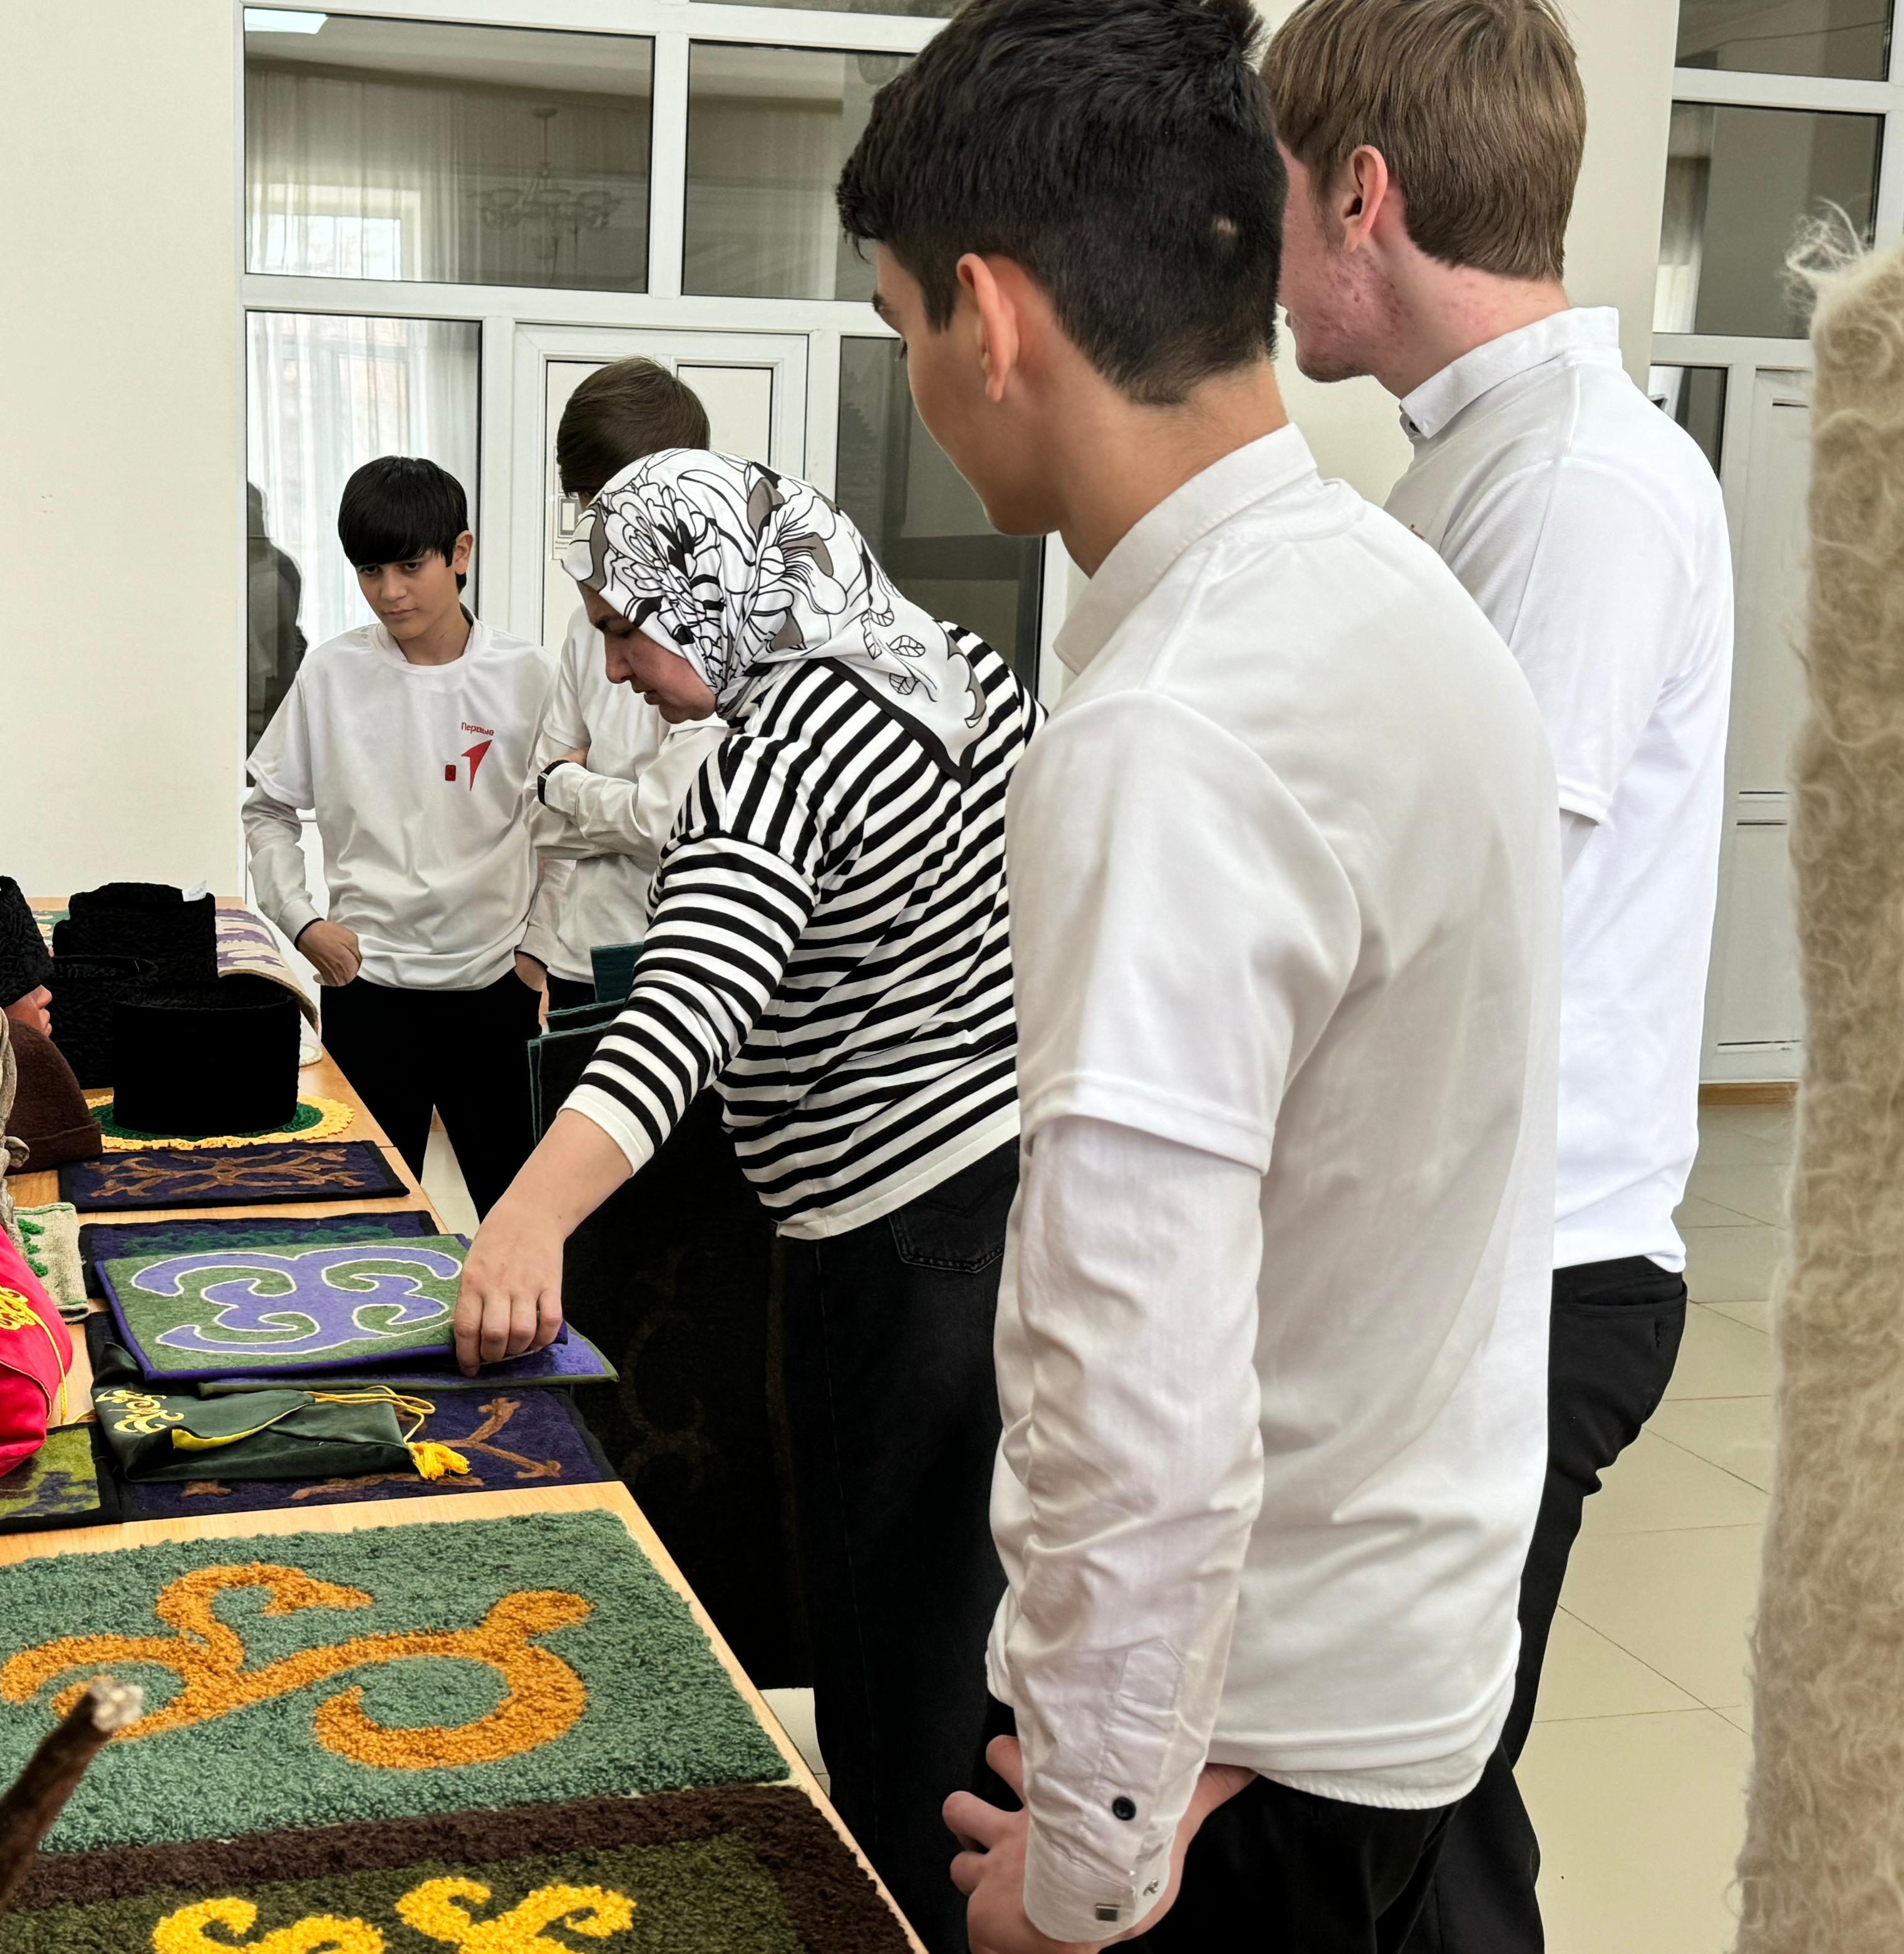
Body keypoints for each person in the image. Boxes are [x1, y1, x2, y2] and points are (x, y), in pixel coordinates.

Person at [835, 0, 1562, 1946]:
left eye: (901, 325)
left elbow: (1130, 1387)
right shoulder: (1396, 602)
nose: (915, 377)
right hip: (1403, 1689)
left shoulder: (1173, 724)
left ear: (991, 319)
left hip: (1235, 1775)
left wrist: (1087, 1860)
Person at [1262, 3, 1736, 1944]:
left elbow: (1461, 917)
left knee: (1403, 1809)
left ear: (1360, 196)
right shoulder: (1475, 465)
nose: (1260, 250)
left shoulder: (1576, 488)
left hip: (1529, 1272)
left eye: (1275, 196)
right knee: (1413, 1810)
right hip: (1455, 1249)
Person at [459, 449, 1029, 1950]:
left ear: (708, 591)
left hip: (886, 1244)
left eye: (623, 626)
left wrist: (524, 1218)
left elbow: (682, 1015)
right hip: (1008, 1206)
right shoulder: (958, 672)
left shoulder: (779, 754)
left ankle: (896, 1913)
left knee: (888, 1647)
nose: (615, 668)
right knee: (970, 1622)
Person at [242, 456, 556, 1212]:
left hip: (494, 991)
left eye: (410, 566)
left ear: (461, 552)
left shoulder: (528, 676)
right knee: (365, 1217)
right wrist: (302, 923)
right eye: (369, 570)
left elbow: (564, 830)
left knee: (520, 1216)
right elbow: (267, 808)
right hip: (368, 990)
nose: (389, 592)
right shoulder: (331, 673)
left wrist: (538, 953)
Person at [522, 359, 728, 1010]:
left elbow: (670, 827)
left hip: (689, 954)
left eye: (608, 501)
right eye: (585, 503)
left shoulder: (726, 626)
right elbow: (537, 817)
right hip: (581, 955)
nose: (595, 525)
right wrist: (625, 810)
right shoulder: (586, 627)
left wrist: (570, 785)